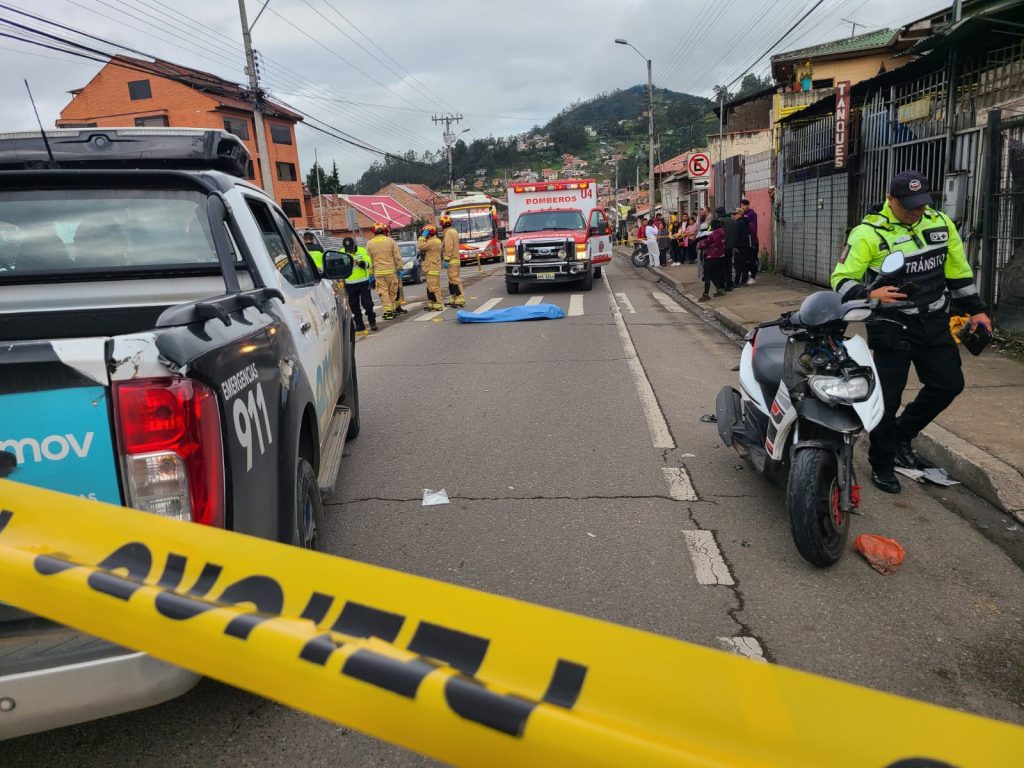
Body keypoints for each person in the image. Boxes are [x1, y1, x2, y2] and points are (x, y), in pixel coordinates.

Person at [830, 170, 992, 494]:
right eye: (908, 206)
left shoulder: (940, 224)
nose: (916, 211)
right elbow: (841, 278)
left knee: (948, 384)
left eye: (920, 204)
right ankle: (883, 463)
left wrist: (976, 309)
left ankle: (904, 434)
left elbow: (958, 271)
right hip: (891, 325)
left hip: (933, 320)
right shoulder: (868, 233)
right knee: (887, 400)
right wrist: (868, 294)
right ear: (892, 200)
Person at [367, 223, 403, 321]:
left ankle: (388, 312)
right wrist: (399, 268)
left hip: (379, 273)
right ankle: (392, 310)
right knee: (392, 291)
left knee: (383, 292)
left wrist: (370, 273)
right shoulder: (391, 241)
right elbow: (397, 256)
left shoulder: (370, 243)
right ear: (385, 231)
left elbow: (369, 260)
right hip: (391, 271)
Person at [341, 236, 376, 334]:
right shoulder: (342, 252)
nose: (349, 250)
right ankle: (360, 325)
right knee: (354, 306)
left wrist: (360, 263)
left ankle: (372, 322)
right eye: (347, 248)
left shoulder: (361, 250)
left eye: (350, 248)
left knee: (367, 304)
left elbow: (369, 264)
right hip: (350, 284)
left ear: (354, 245)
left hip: (363, 282)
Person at [696, 218, 727, 301]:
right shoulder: (723, 233)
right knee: (713, 274)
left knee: (707, 275)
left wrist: (699, 244)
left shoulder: (713, 235)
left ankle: (706, 294)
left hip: (711, 256)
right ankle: (719, 289)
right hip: (720, 256)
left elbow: (704, 244)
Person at [439, 214, 465, 308]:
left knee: (454, 279)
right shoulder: (453, 231)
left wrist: (446, 258)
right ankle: (454, 298)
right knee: (452, 281)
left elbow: (448, 246)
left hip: (451, 260)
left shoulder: (448, 232)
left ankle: (460, 298)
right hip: (454, 260)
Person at [419, 224, 444, 311]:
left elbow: (420, 246)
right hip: (431, 267)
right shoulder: (434, 240)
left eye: (425, 233)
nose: (424, 234)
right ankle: (432, 303)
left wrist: (422, 237)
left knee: (434, 287)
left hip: (432, 267)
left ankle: (437, 304)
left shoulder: (432, 241)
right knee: (431, 287)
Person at [714, 206, 736, 290]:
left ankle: (722, 284)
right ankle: (729, 284)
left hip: (722, 247)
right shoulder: (732, 221)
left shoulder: (719, 221)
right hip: (730, 246)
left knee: (721, 267)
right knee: (729, 266)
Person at [739, 197, 759, 285]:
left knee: (752, 259)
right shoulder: (743, 215)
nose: (742, 207)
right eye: (741, 206)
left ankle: (753, 277)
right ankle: (748, 274)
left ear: (747, 206)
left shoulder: (752, 214)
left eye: (743, 205)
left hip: (752, 240)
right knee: (746, 260)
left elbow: (753, 228)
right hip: (745, 241)